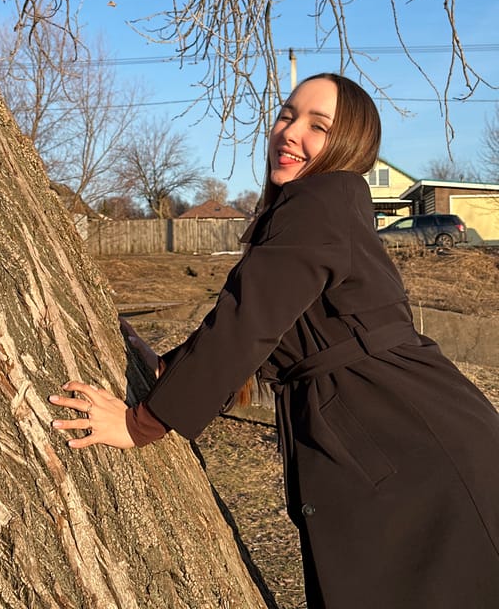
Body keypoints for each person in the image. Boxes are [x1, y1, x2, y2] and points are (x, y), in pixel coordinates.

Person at [49, 73, 499, 608]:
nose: (290, 132)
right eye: (287, 115)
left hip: (411, 444)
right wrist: (170, 370)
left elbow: (248, 322)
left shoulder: (321, 199)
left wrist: (139, 423)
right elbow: (263, 321)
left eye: (318, 125)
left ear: (350, 145)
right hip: (408, 430)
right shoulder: (325, 207)